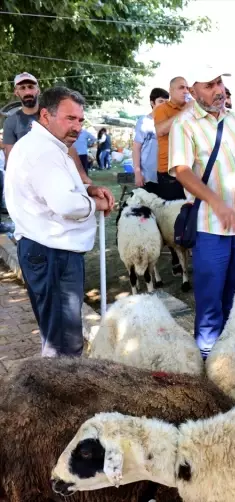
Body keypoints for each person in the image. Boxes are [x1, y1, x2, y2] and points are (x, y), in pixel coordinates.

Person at [4, 87, 115, 358]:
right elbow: (64, 204)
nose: (77, 126)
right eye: (70, 118)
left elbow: (54, 190)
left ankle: (58, 391)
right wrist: (96, 204)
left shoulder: (44, 146)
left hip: (46, 249)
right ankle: (63, 397)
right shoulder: (44, 151)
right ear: (45, 115)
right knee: (64, 344)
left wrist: (86, 190)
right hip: (53, 253)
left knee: (56, 335)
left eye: (80, 120)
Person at [168, 65, 235, 360]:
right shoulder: (184, 124)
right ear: (193, 91)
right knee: (210, 305)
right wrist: (216, 202)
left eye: (220, 83)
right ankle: (208, 363)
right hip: (211, 228)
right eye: (209, 85)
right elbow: (182, 171)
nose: (218, 90)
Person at [153, 76, 192, 200]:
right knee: (171, 214)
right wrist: (185, 111)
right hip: (168, 172)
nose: (186, 91)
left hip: (190, 169)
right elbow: (161, 130)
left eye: (187, 88)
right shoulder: (162, 109)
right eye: (181, 88)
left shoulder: (192, 108)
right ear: (171, 91)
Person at [133, 87, 169, 187]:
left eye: (167, 102)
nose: (165, 104)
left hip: (165, 175)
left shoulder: (170, 122)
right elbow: (136, 148)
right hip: (147, 175)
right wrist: (137, 172)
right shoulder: (144, 121)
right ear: (153, 103)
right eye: (161, 101)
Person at [3, 73, 40, 162]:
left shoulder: (52, 115)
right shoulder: (10, 122)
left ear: (38, 90)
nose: (27, 92)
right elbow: (10, 159)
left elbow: (67, 147)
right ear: (16, 92)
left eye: (31, 87)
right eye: (22, 88)